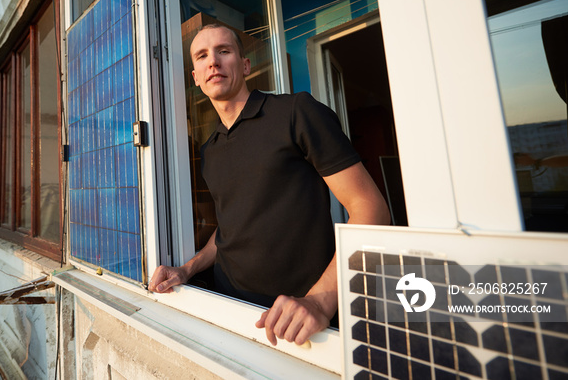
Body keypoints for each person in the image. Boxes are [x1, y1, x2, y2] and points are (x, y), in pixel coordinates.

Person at [148, 24, 390, 346]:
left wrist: (320, 301)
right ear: (195, 77)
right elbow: (228, 230)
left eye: (224, 51)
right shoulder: (210, 150)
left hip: (301, 322)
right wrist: (186, 269)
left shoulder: (295, 113)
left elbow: (371, 210)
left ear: (245, 65)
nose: (213, 62)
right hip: (229, 311)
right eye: (202, 56)